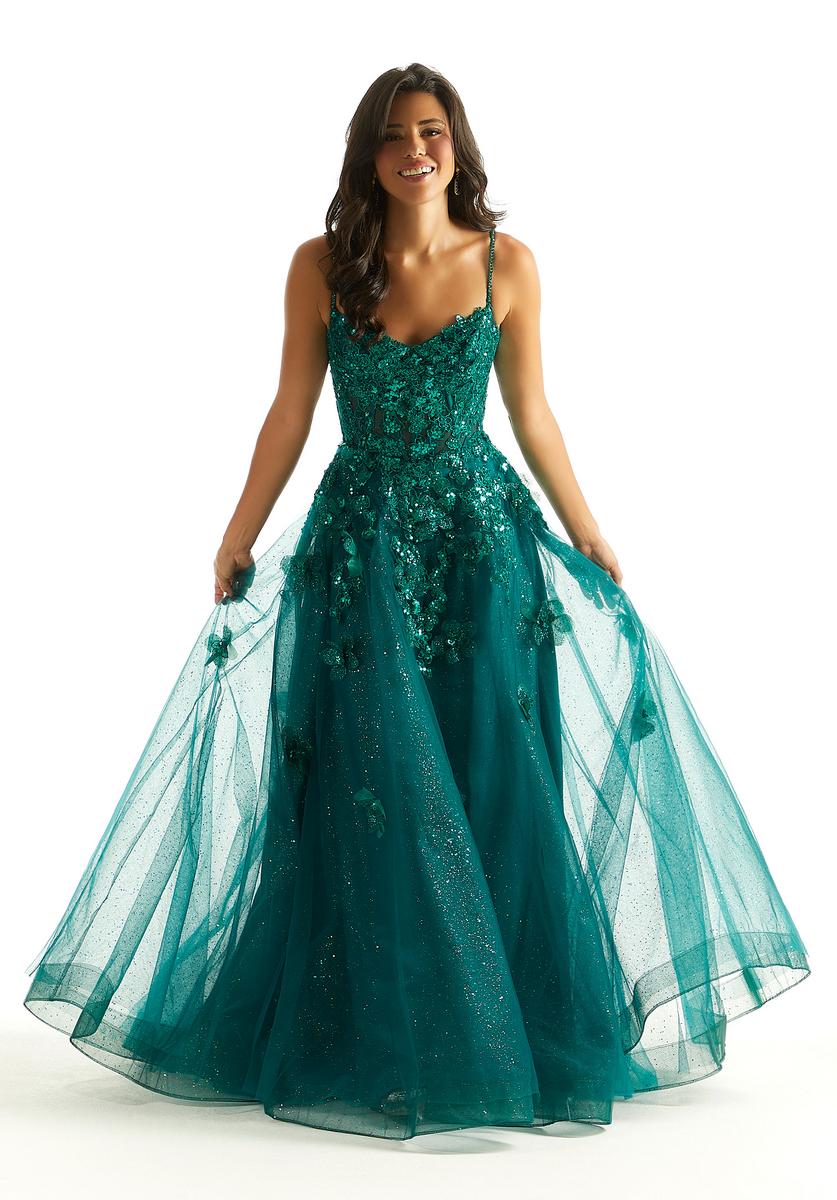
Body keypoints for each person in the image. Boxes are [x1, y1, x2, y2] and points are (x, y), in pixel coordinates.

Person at [24, 63, 811, 1142]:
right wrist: (238, 531)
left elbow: (532, 414)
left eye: (432, 132)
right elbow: (290, 409)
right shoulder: (319, 267)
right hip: (357, 550)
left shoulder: (507, 264)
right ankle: (378, 1029)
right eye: (394, 136)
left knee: (494, 770)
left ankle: (500, 1029)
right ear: (368, 154)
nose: (415, 152)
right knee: (370, 782)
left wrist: (585, 528)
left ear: (458, 146)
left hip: (482, 548)